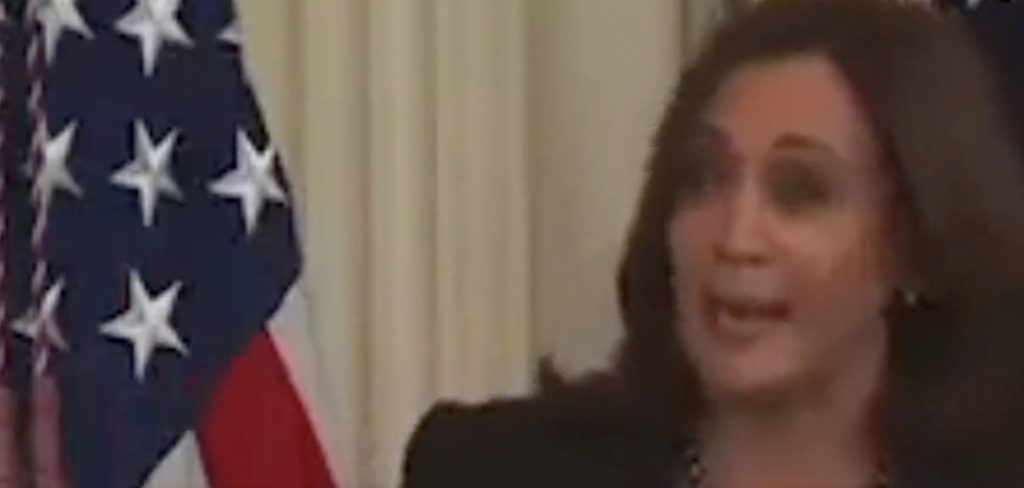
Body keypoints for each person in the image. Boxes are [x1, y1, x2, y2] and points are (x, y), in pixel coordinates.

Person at [402, 0, 1024, 486]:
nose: (735, 235)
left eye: (799, 191)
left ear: (915, 246)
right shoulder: (487, 468)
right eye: (704, 178)